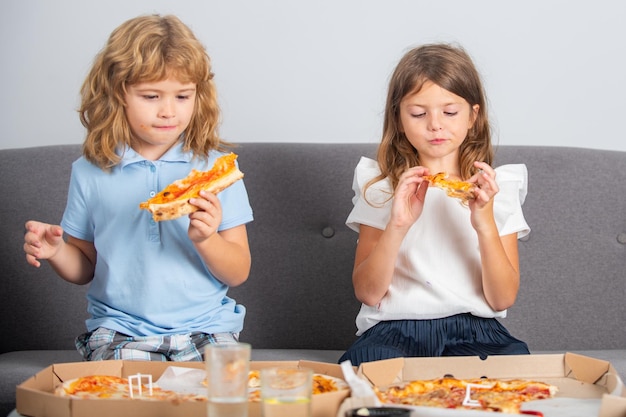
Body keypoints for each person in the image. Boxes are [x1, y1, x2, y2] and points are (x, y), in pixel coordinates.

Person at [23, 14, 253, 361]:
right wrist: (55, 252)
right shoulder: (90, 172)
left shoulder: (215, 169)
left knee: (222, 404)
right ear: (117, 94)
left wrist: (207, 239)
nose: (168, 111)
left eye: (182, 96)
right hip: (120, 330)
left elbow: (238, 271)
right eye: (151, 95)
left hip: (207, 327)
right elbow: (86, 265)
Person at [339, 43, 530, 366]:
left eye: (450, 112)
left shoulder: (496, 190)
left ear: (473, 116)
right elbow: (368, 293)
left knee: (514, 368)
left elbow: (502, 298)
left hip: (475, 330)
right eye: (418, 113)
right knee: (366, 368)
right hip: (392, 329)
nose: (435, 124)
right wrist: (398, 225)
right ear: (398, 118)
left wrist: (484, 224)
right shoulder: (381, 187)